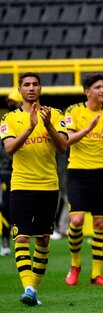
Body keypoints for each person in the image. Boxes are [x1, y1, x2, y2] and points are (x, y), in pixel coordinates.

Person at [1, 72, 67, 305]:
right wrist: (29, 128)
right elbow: (9, 149)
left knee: (43, 240)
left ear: (40, 88)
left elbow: (62, 147)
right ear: (19, 90)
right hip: (21, 185)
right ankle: (27, 287)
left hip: (48, 185)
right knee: (21, 238)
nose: (31, 88)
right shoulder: (9, 119)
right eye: (26, 85)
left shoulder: (56, 115)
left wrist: (47, 125)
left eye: (35, 84)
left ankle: (33, 291)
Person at [64, 74, 103, 286]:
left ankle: (96, 274)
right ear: (87, 91)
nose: (102, 90)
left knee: (100, 223)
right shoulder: (74, 110)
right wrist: (87, 129)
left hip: (102, 173)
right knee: (77, 220)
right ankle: (75, 264)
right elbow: (67, 140)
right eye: (97, 87)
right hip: (78, 173)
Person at [0, 91, 22, 256]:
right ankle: (6, 239)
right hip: (6, 172)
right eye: (9, 102)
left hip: (25, 171)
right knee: (5, 206)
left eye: (13, 101)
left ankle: (22, 237)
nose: (10, 104)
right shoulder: (6, 122)